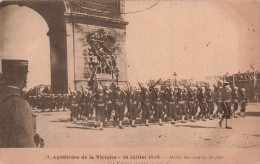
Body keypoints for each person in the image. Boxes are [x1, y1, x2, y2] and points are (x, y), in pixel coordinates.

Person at [0, 59, 35, 148]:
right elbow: (26, 147)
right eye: (24, 75)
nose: (26, 80)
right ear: (15, 77)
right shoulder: (19, 104)